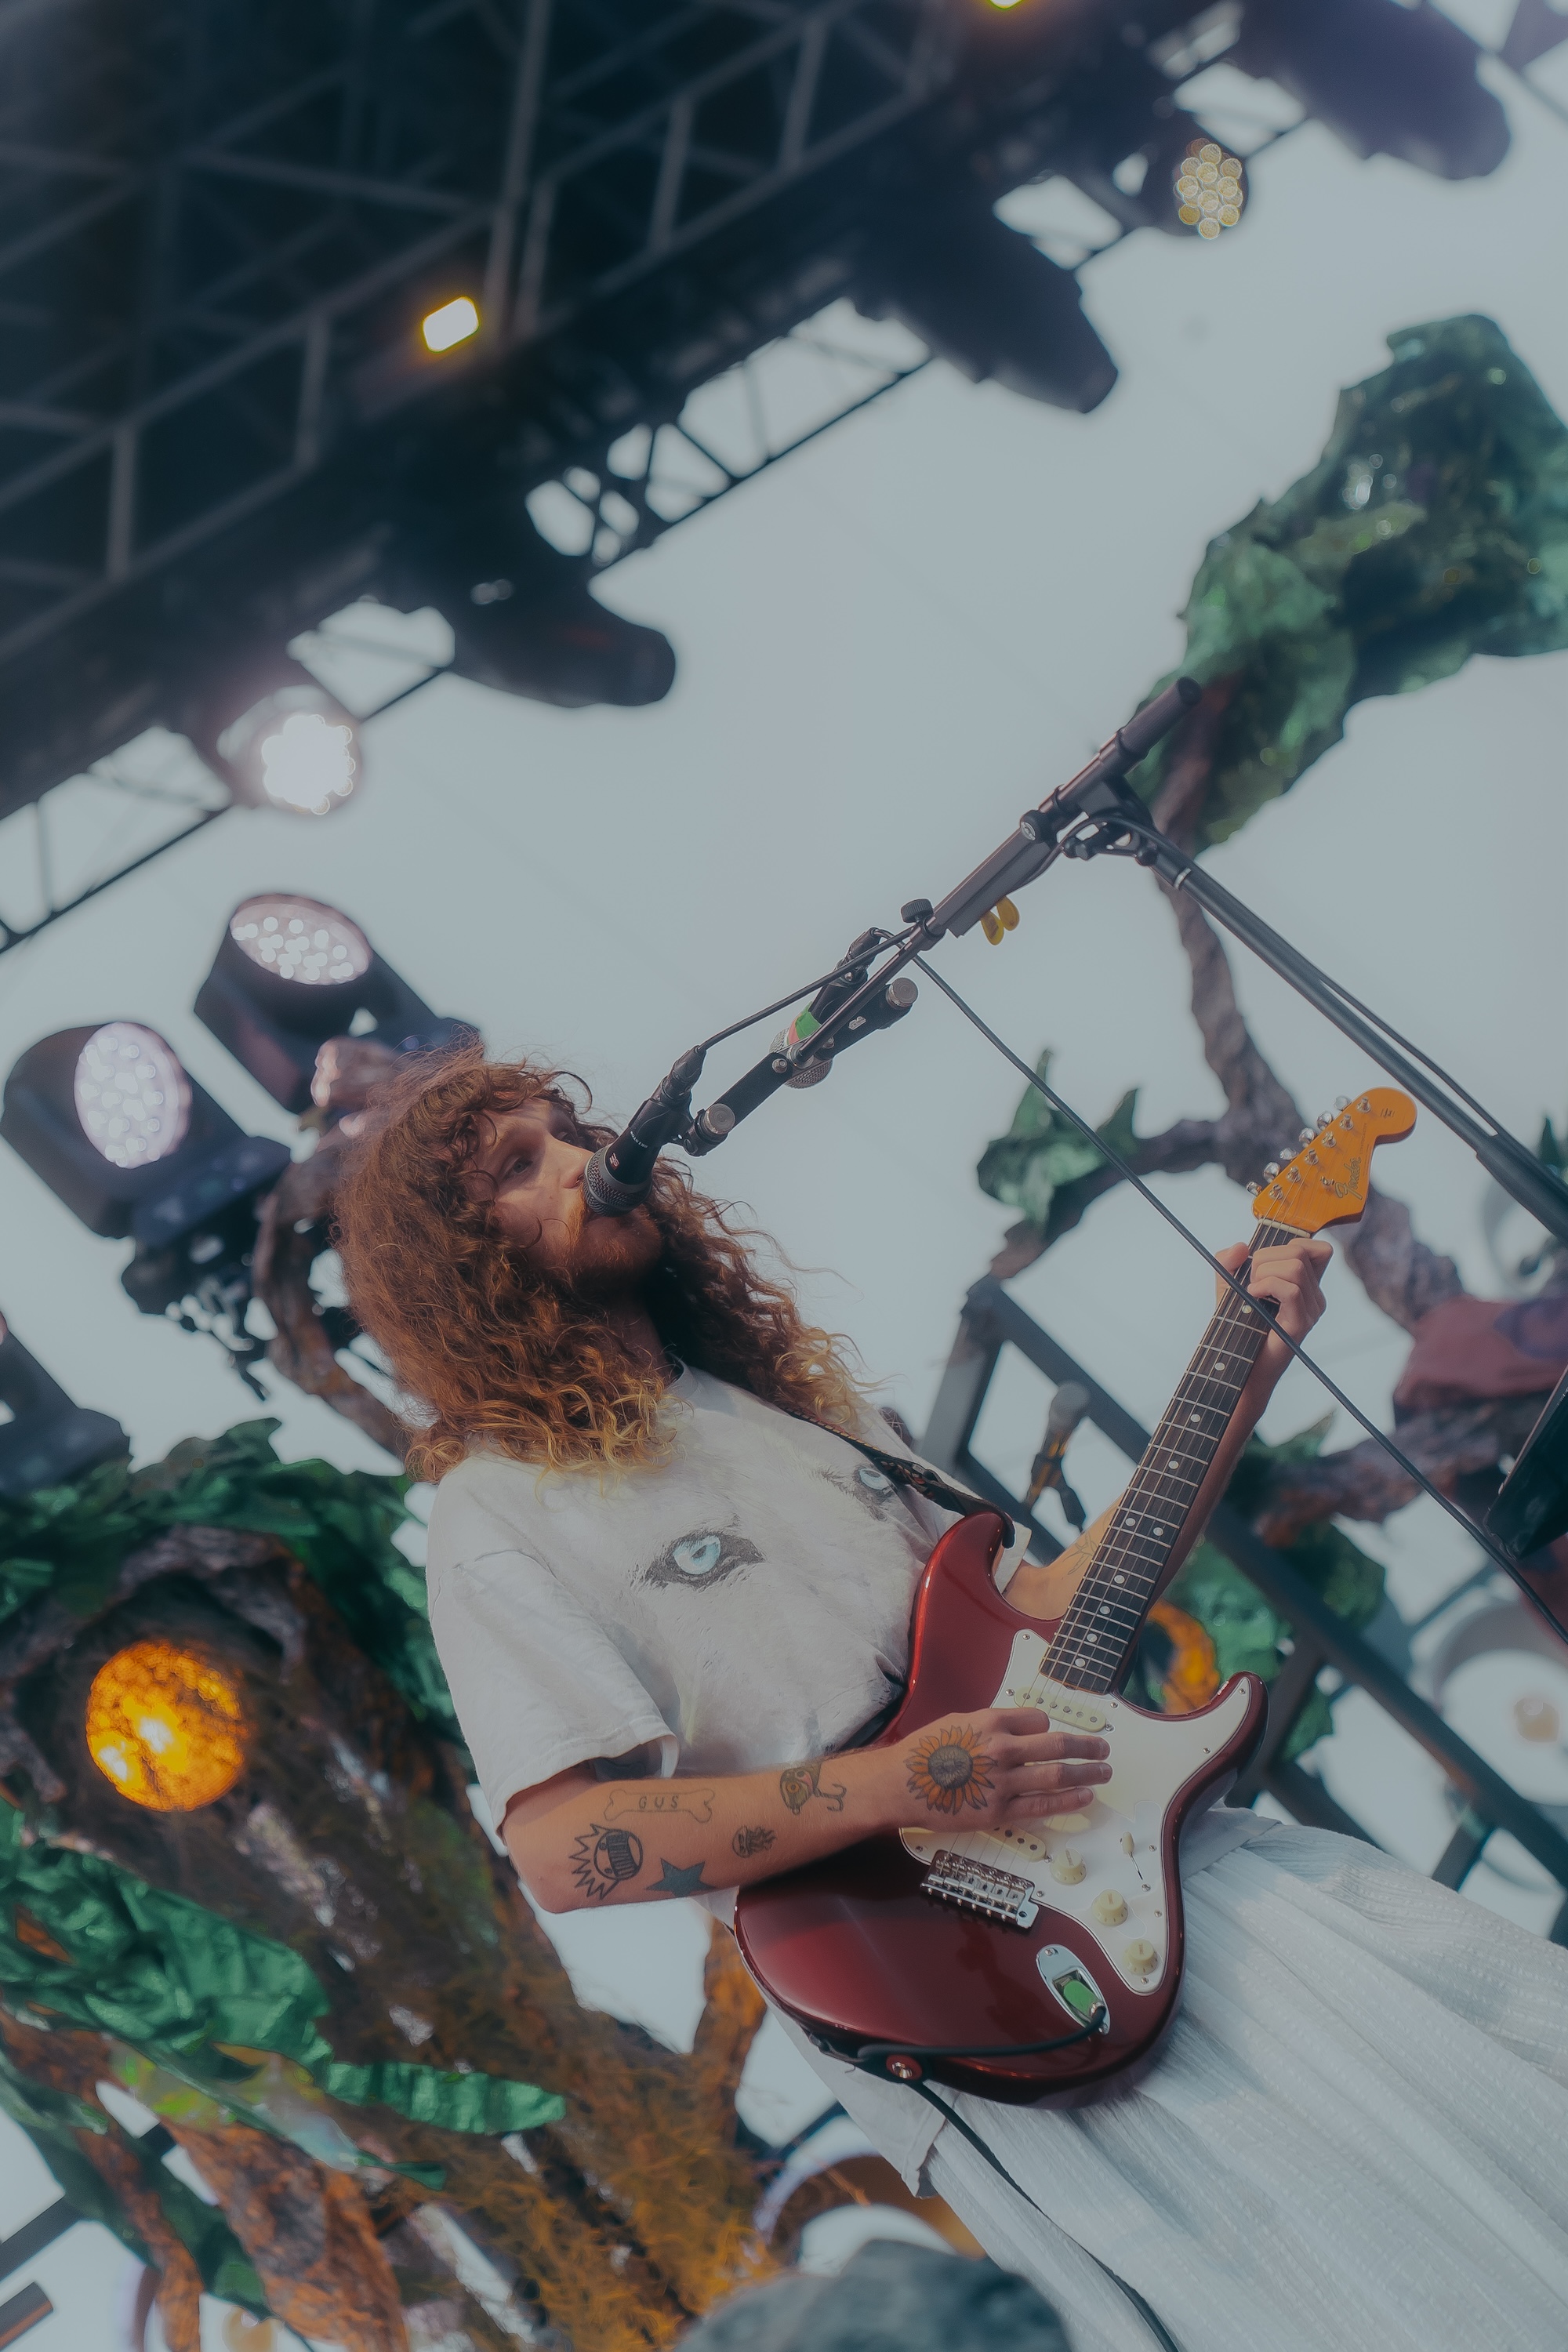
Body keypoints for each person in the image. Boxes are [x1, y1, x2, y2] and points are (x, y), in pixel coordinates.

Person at [336, 1047, 1568, 2352]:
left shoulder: (789, 1410)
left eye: (568, 1130)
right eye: (521, 1165)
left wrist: (1246, 1365)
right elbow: (561, 1846)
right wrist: (906, 1781)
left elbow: (1041, 1617)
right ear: (463, 1266)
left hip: (1155, 1858)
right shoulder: (497, 1512)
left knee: (1508, 2077)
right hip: (959, 1976)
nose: (587, 1160)